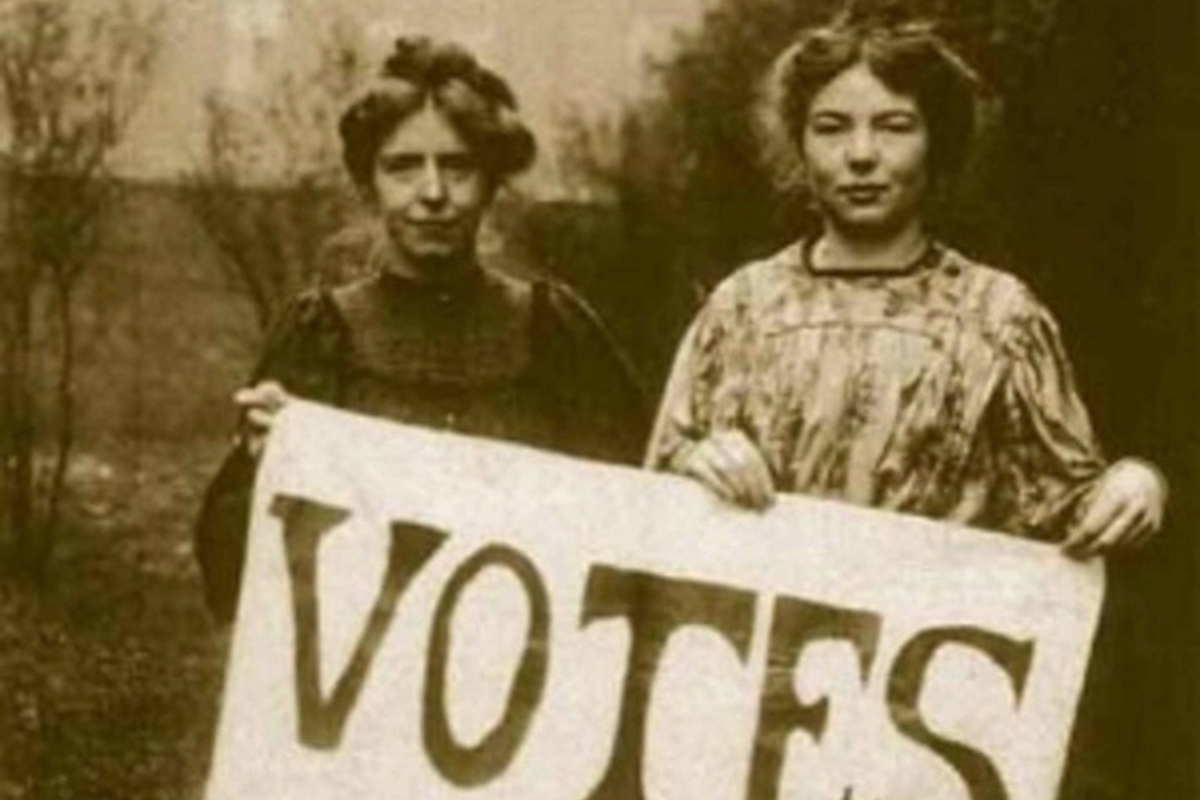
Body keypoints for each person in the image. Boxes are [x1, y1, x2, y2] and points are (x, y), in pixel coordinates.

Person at [646, 15, 1166, 553]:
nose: (861, 154)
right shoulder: (741, 310)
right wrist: (696, 462)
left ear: (937, 143)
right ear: (799, 145)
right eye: (831, 127)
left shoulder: (999, 318)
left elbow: (1064, 508)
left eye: (894, 126)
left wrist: (1133, 483)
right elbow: (651, 502)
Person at [196, 36, 648, 622]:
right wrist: (263, 464)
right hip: (361, 670)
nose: (432, 193)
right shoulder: (319, 337)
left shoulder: (555, 331)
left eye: (458, 167)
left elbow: (642, 528)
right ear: (369, 185)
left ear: (491, 184)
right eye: (403, 167)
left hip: (528, 664)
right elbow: (229, 578)